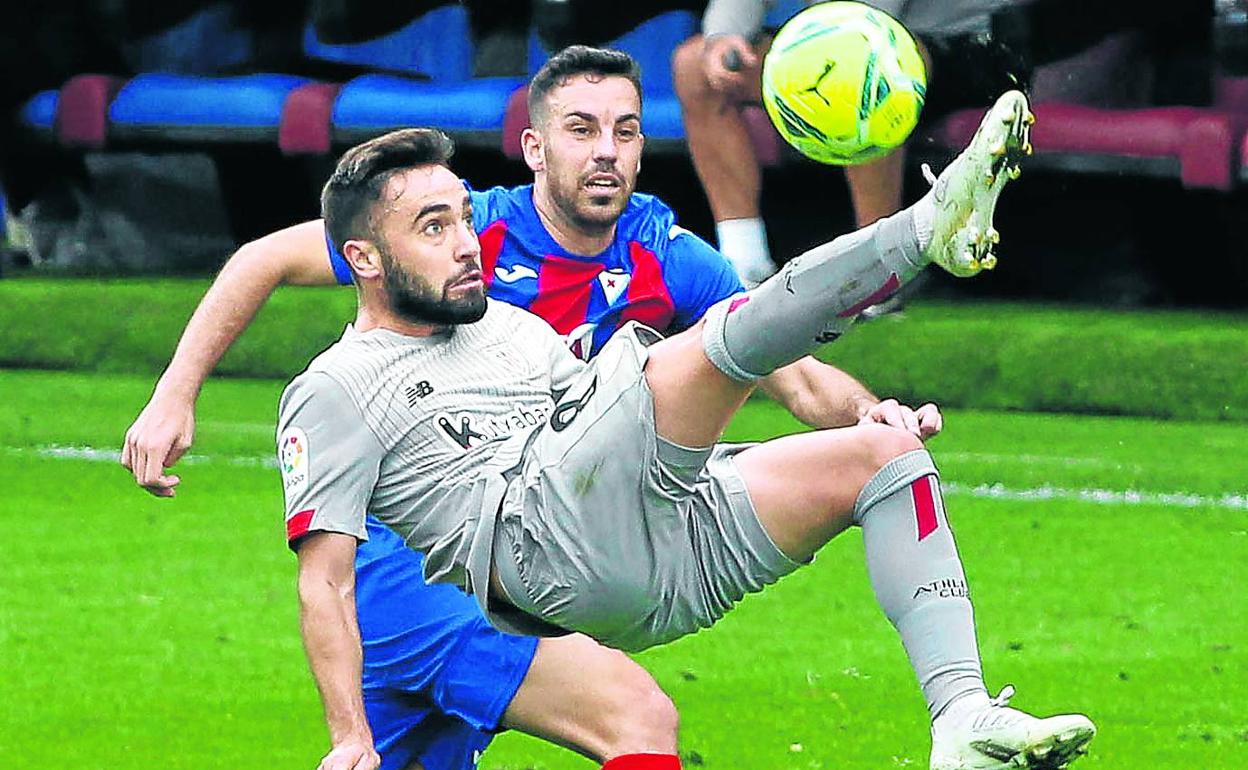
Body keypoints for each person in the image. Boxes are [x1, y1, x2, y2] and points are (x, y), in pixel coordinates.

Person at [123, 46, 942, 770]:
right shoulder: (457, 234)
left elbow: (797, 378)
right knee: (636, 716)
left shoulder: (663, 252)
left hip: (521, 560)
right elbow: (266, 255)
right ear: (535, 147)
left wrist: (871, 420)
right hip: (426, 575)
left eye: (625, 131)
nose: (607, 153)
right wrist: (173, 394)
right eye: (582, 129)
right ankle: (910, 233)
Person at [280, 83, 1096, 770]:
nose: (465, 244)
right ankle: (924, 232)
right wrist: (348, 735)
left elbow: (603, 425)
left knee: (883, 458)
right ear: (363, 259)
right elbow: (325, 580)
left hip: (650, 567)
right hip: (537, 549)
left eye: (463, 218)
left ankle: (961, 717)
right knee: (697, 352)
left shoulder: (507, 327)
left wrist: (859, 411)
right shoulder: (336, 388)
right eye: (433, 228)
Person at [672, 0, 1027, 287]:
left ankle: (881, 274)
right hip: (845, 36)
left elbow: (870, 17)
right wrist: (724, 38)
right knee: (694, 65)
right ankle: (744, 269)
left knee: (857, 72)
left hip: (973, 42)